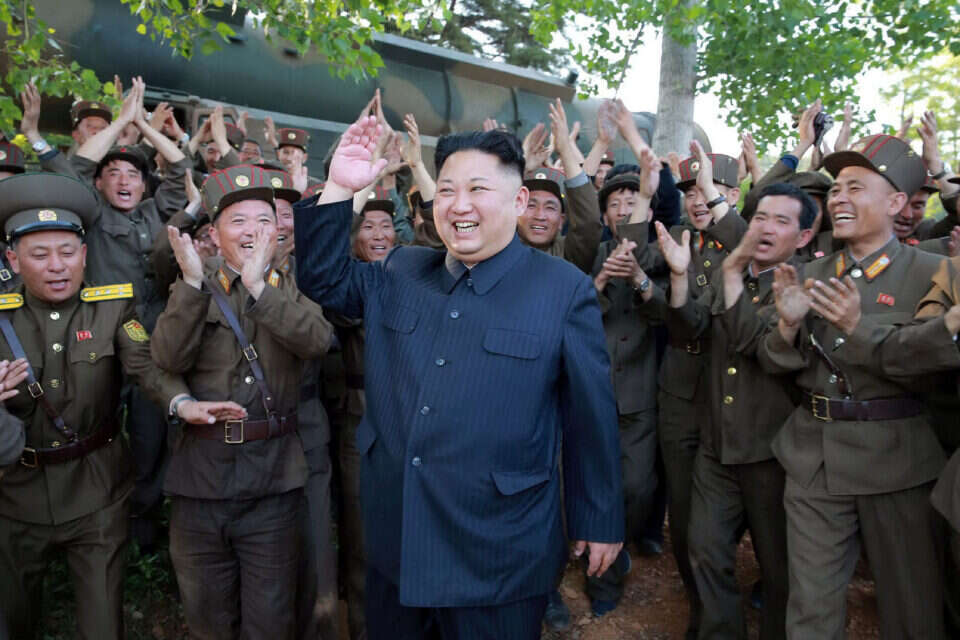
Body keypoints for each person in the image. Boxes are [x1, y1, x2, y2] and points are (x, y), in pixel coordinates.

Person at [293, 116, 624, 639]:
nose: (459, 205)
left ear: (518, 202)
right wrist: (338, 187)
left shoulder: (562, 290)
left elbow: (590, 417)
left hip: (499, 556)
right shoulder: (401, 270)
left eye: (477, 190)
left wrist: (598, 518)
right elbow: (322, 278)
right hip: (398, 541)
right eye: (446, 190)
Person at [759, 133, 947, 639]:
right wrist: (787, 327)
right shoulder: (810, 272)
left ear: (896, 202)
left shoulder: (936, 274)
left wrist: (859, 328)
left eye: (856, 188)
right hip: (814, 460)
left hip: (898, 463)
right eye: (836, 188)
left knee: (912, 609)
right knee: (810, 610)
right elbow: (774, 362)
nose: (839, 198)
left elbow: (936, 360)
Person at [0, 172, 199, 639]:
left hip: (98, 493)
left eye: (68, 252)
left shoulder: (112, 309)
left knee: (103, 625)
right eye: (39, 255)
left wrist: (181, 402)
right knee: (14, 619)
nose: (57, 266)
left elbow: (146, 367)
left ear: (85, 254)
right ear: (12, 259)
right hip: (15, 498)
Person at [152, 164, 334, 640]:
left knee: (270, 620)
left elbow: (317, 341)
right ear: (214, 234)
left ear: (278, 230)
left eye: (264, 220)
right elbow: (167, 357)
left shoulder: (291, 284)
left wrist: (258, 288)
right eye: (238, 221)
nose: (252, 231)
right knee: (208, 619)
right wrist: (191, 285)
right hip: (201, 479)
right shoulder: (195, 283)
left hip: (273, 481)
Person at [661, 182, 818, 639]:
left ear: (804, 237)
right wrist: (678, 279)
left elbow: (763, 351)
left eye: (781, 221)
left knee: (779, 568)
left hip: (774, 455)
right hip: (717, 449)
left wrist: (731, 275)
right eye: (760, 218)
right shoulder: (733, 273)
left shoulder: (805, 286)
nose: (765, 228)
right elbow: (691, 329)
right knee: (706, 552)